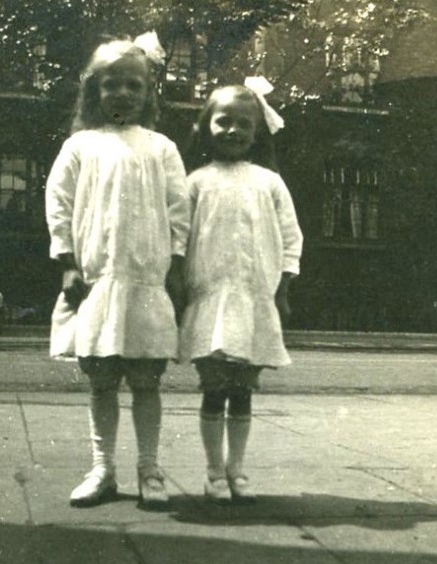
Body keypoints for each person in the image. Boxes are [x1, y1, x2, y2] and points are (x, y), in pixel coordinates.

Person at [45, 34, 190, 509]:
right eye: (112, 85)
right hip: (96, 279)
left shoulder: (162, 147)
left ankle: (149, 467)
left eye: (134, 84)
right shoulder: (80, 145)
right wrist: (67, 264)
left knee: (147, 380)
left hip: (147, 280)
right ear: (94, 91)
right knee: (101, 379)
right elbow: (59, 207)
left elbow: (178, 209)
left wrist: (177, 264)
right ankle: (102, 468)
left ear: (149, 92)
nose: (123, 93)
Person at [180, 82, 304, 504]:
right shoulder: (196, 181)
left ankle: (238, 469)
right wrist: (180, 284)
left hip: (254, 301)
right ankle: (214, 471)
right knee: (215, 388)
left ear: (257, 133)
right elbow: (180, 236)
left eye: (243, 124)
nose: (233, 130)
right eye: (223, 121)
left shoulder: (269, 182)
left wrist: (282, 289)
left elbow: (290, 238)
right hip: (211, 299)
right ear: (206, 126)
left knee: (243, 391)